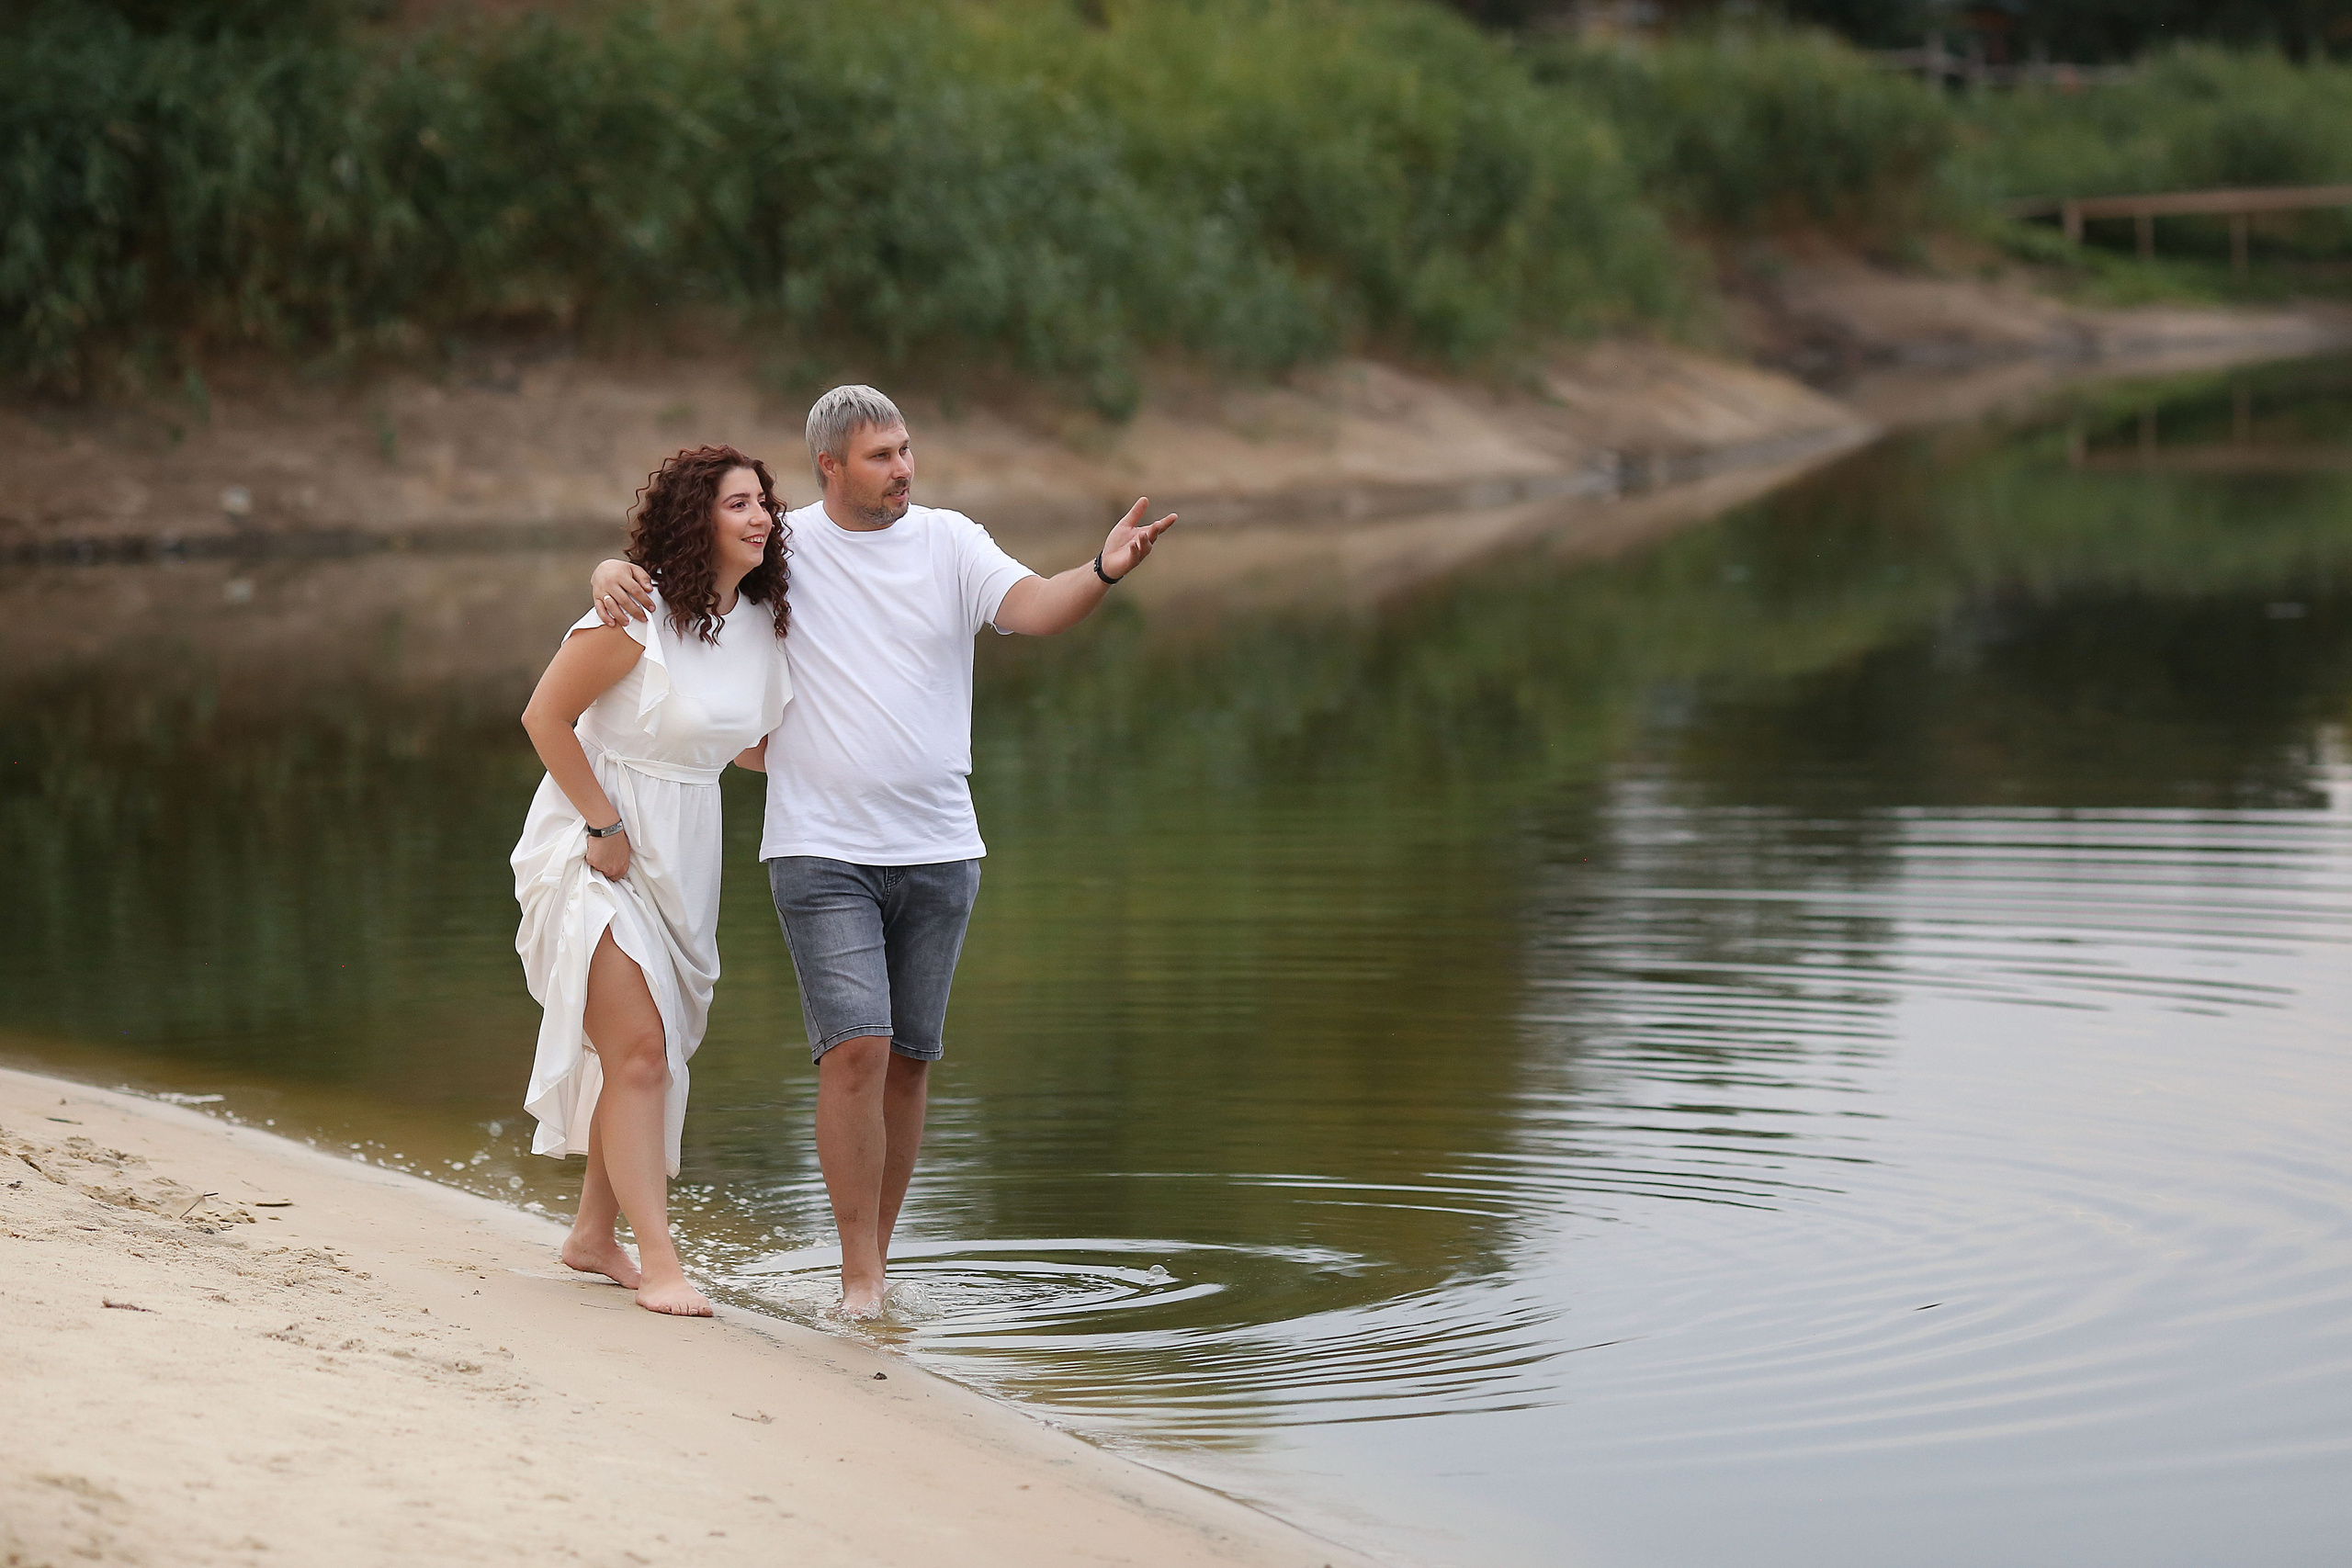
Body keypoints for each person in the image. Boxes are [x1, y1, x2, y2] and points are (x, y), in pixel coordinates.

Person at [589, 385, 1173, 1316]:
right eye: (880, 456)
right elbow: (683, 567)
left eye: (905, 450)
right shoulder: (786, 547)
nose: (903, 470)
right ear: (830, 467)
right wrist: (605, 574)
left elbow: (1032, 608)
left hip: (942, 850)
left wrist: (1099, 571)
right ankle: (859, 1280)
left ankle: (879, 1262)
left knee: (907, 1059)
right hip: (819, 850)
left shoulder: (950, 541)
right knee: (853, 1049)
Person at [514, 445, 793, 1316]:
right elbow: (544, 716)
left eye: (764, 503)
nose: (760, 518)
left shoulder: (759, 624)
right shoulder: (631, 613)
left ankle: (592, 1236)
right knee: (637, 1051)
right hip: (595, 840)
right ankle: (661, 1260)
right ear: (695, 518)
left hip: (688, 851)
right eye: (738, 503)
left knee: (653, 1054)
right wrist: (601, 822)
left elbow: (746, 748)